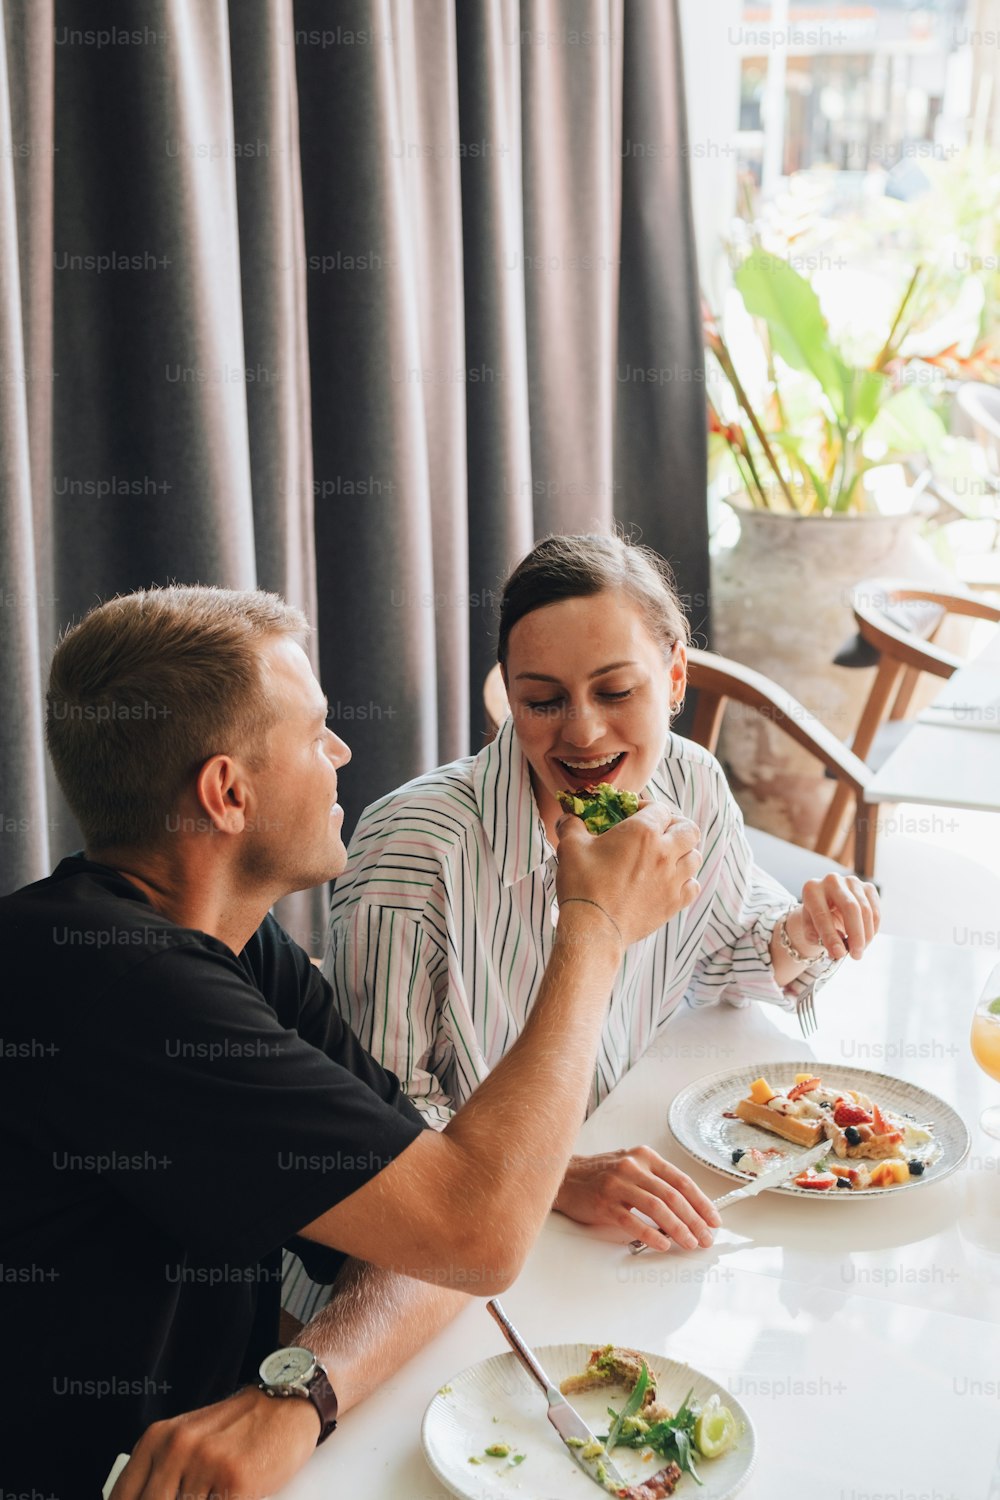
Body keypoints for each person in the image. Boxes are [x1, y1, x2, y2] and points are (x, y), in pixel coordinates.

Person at [0, 583, 702, 1497]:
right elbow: (477, 1233)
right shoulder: (118, 985)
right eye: (315, 733)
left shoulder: (237, 948)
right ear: (227, 792)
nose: (343, 752)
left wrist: (296, 1399)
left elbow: (435, 1231)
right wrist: (596, 927)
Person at [326, 533, 880, 1260]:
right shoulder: (415, 845)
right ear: (509, 693)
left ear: (676, 676)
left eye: (616, 692)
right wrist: (557, 1175)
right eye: (543, 700)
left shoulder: (692, 783)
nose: (582, 732)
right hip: (451, 1247)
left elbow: (722, 955)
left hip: (633, 1183)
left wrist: (804, 933)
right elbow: (376, 1127)